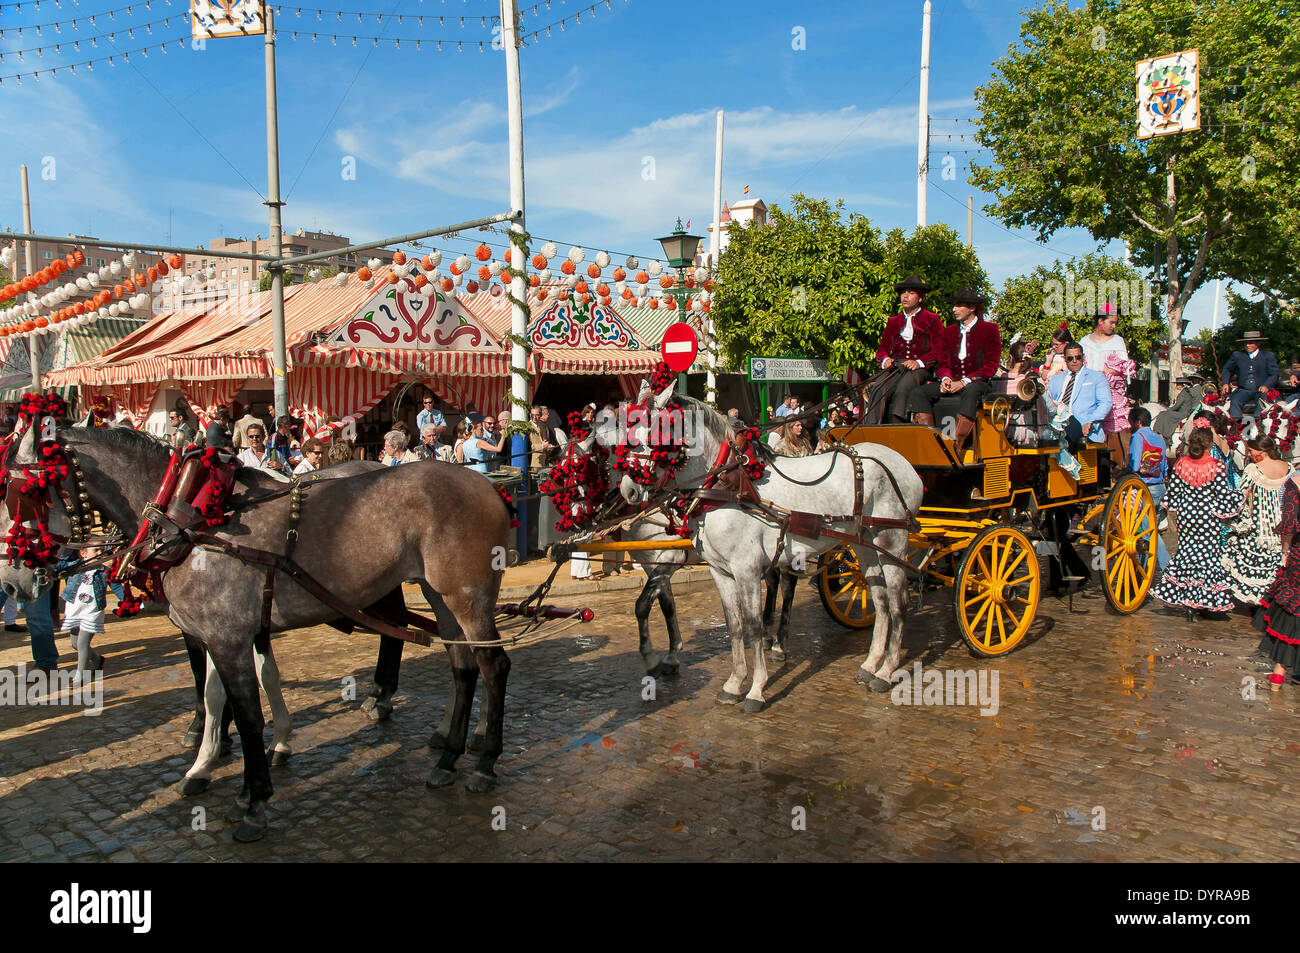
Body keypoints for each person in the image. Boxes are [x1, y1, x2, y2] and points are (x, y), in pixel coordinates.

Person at [1149, 422, 1242, 620]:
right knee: (1207, 560)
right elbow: (1223, 496)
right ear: (1210, 446)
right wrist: (1240, 497)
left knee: (1187, 556)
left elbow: (1172, 494)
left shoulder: (1181, 464)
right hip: (1208, 520)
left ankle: (1187, 600)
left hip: (1187, 518)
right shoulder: (1216, 466)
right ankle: (1202, 600)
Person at [908, 287, 1001, 455]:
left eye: (959, 305)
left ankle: (956, 447)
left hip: (978, 384)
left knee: (971, 391)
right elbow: (942, 362)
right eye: (954, 305)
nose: (954, 309)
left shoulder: (990, 329)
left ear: (972, 308)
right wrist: (946, 378)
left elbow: (991, 366)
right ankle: (930, 445)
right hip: (952, 381)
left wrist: (964, 381)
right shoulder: (948, 331)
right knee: (918, 393)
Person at [1221, 434, 1292, 605]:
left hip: (1261, 522)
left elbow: (1242, 495)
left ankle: (1259, 598)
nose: (1251, 455)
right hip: (1282, 521)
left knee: (1257, 557)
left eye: (1252, 451)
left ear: (1261, 451)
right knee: (1277, 559)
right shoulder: (1288, 467)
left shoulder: (1253, 469)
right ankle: (1274, 596)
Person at [867, 275, 944, 424]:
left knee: (903, 388)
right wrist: (885, 360)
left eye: (911, 293)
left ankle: (897, 424)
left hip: (920, 368)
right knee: (878, 387)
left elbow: (940, 349)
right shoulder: (893, 321)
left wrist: (919, 362)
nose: (905, 296)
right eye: (903, 293)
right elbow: (882, 349)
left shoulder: (933, 319)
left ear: (920, 298)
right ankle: (871, 426)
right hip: (897, 366)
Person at [1253, 469, 1300, 690]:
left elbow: (1289, 525)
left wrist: (1284, 553)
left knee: (1291, 612)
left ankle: (1279, 677)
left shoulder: (1296, 483)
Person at [1081, 303, 1135, 463]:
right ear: (1100, 322)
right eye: (1111, 322)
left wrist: (1102, 375)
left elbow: (1123, 368)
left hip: (1109, 391)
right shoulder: (1084, 341)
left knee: (1114, 429)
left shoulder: (1118, 342)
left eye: (1115, 323)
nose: (1114, 326)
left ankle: (1117, 462)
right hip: (1086, 392)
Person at [1045, 342, 1112, 451]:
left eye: (1078, 357)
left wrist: (1090, 421)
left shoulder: (1096, 377)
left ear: (1083, 357)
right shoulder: (1055, 379)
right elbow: (1048, 402)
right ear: (1065, 359)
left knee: (1066, 425)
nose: (1074, 361)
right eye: (1070, 358)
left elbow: (1106, 403)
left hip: (1081, 421)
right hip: (1056, 419)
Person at [1127, 406, 1171, 572]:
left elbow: (1135, 463)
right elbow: (1165, 465)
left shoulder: (1138, 436)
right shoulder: (1159, 438)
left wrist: (1123, 471)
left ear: (1137, 422)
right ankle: (1149, 571)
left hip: (1145, 488)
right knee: (1152, 531)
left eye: (1131, 422)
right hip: (1160, 487)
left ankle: (1167, 569)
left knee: (1149, 534)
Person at [61, 548, 107, 682]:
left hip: (92, 612)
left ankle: (80, 676)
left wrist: (126, 600)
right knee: (75, 643)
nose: (100, 553)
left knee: (82, 643)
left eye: (102, 550)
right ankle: (98, 660)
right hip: (75, 610)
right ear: (83, 553)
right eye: (96, 550)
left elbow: (116, 584)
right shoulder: (72, 566)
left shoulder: (104, 571)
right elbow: (56, 564)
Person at [1221, 330, 1279, 419]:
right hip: (1244, 390)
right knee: (1234, 401)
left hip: (1260, 390)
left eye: (1251, 343)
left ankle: (1258, 424)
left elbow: (1274, 374)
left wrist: (1266, 385)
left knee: (1262, 403)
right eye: (1246, 343)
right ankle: (1236, 425)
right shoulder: (1238, 355)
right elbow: (1226, 369)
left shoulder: (1267, 356)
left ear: (1258, 343)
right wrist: (1225, 383)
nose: (1248, 345)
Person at [1154, 374, 1205, 442]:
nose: (1176, 386)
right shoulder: (1201, 389)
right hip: (1190, 411)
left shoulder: (1187, 391)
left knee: (1163, 414)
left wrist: (1169, 409)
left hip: (1185, 412)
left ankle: (1163, 434)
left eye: (1177, 384)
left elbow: (1178, 405)